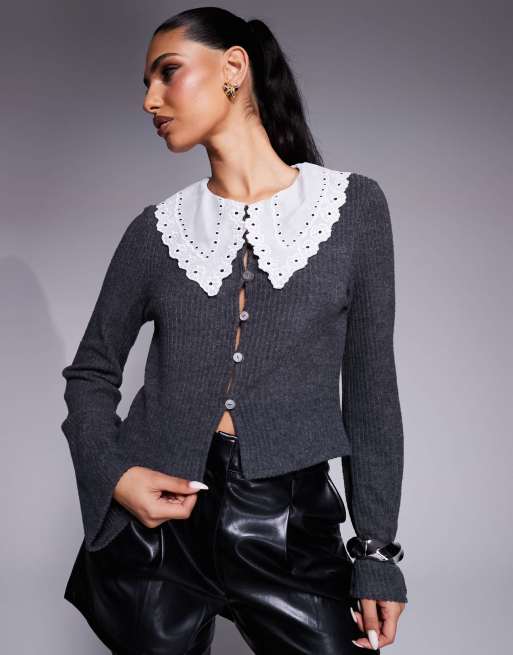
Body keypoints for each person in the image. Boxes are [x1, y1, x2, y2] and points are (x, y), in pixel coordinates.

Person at [60, 7, 408, 654]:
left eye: (167, 73)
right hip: (159, 538)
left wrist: (376, 552)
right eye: (146, 83)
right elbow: (90, 374)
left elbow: (370, 396)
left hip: (289, 529)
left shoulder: (353, 211)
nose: (149, 100)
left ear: (233, 67)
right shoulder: (156, 232)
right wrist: (114, 474)